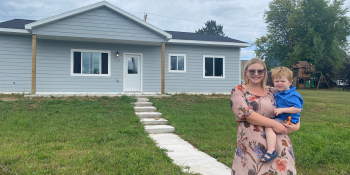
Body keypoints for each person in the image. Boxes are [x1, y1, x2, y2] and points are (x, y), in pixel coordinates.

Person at [230, 58, 300, 175]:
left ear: (264, 72)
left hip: (278, 140)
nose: (256, 74)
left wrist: (295, 126)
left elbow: (293, 109)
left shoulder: (273, 91)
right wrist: (274, 124)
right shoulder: (239, 90)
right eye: (252, 71)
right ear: (246, 72)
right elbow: (247, 115)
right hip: (252, 142)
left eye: (260, 71)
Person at [260, 67, 304, 163]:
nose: (279, 83)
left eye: (283, 81)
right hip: (283, 116)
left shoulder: (292, 95)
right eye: (277, 81)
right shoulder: (280, 92)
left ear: (290, 82)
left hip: (287, 118)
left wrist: (282, 110)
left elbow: (298, 108)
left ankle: (271, 150)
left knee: (269, 127)